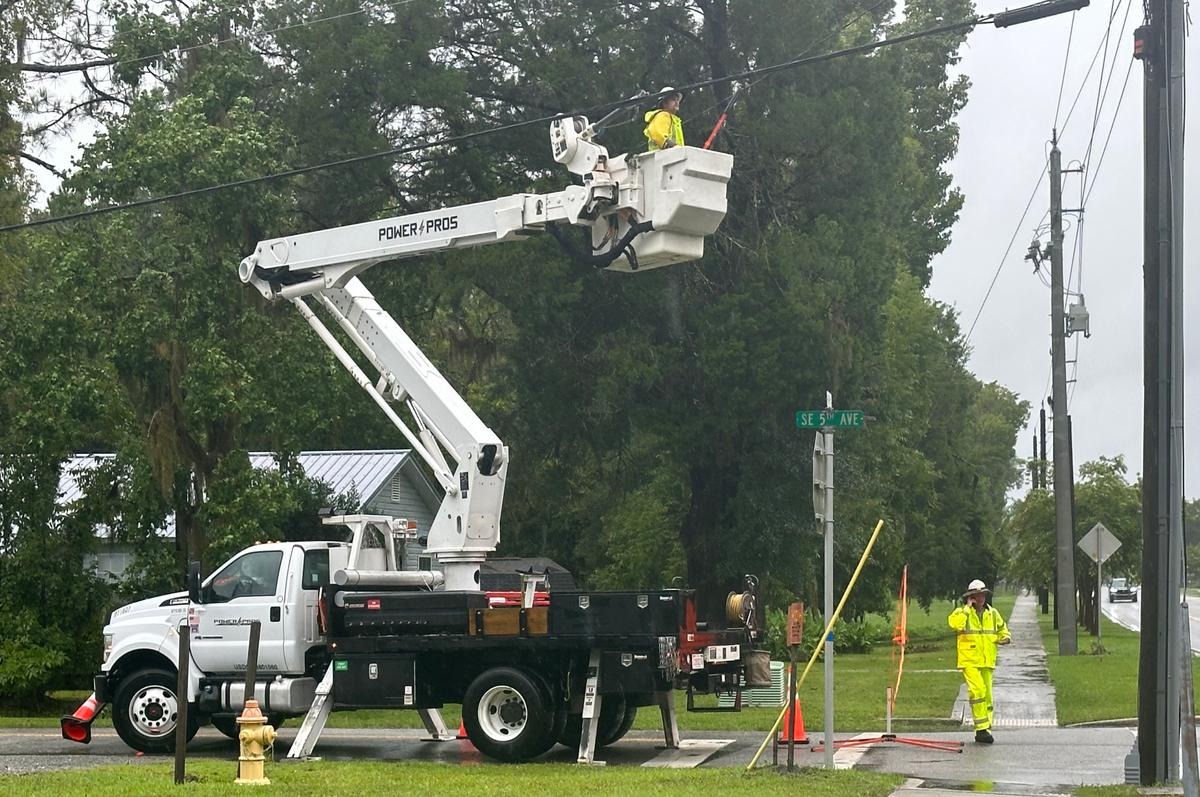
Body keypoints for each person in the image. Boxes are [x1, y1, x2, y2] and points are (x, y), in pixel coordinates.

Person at [948, 579, 1011, 744]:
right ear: (971, 597)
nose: (980, 597)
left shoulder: (993, 613)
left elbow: (1003, 629)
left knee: (987, 696)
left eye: (982, 594)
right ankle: (981, 729)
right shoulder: (962, 612)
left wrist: (1004, 638)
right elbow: (955, 625)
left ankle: (984, 729)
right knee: (977, 692)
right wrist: (967, 609)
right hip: (969, 661)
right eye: (977, 595)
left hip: (987, 660)